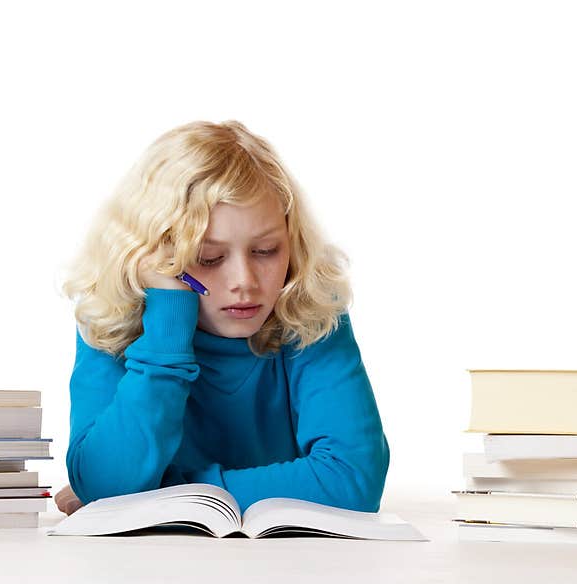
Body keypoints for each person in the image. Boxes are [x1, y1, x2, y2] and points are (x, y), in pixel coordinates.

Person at [55, 120, 389, 516]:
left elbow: (354, 480)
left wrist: (172, 492)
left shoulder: (311, 315)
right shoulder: (111, 321)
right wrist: (167, 328)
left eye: (266, 251)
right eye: (208, 258)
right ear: (154, 258)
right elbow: (104, 482)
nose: (244, 282)